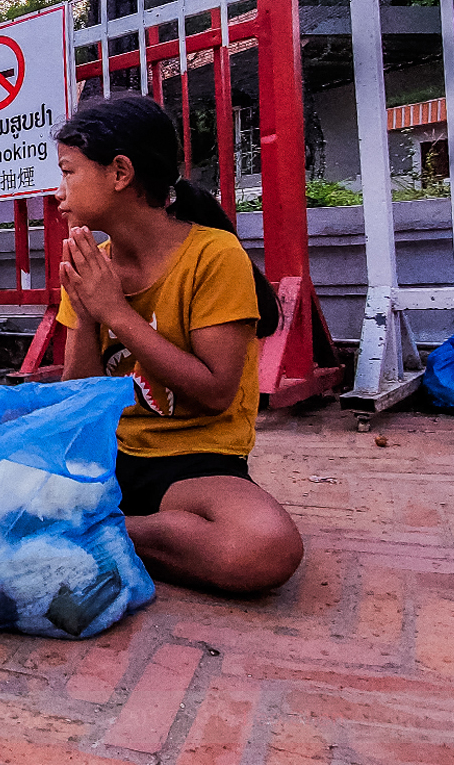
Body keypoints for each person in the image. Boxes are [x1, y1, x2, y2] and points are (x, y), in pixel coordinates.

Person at [53, 93, 301, 595]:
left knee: (265, 549)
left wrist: (117, 314)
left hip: (192, 465)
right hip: (107, 460)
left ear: (120, 173)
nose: (59, 192)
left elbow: (214, 393)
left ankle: (96, 535)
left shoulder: (214, 256)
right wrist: (83, 311)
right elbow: (77, 402)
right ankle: (108, 532)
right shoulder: (90, 264)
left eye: (69, 171)